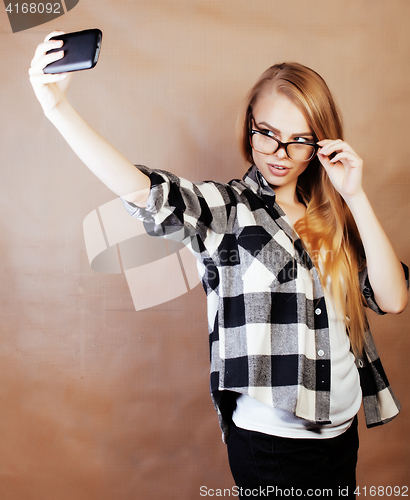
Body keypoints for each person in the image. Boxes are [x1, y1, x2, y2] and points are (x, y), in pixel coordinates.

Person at [29, 32, 408, 498]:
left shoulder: (334, 216)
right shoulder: (228, 211)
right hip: (273, 449)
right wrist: (57, 110)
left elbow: (391, 300)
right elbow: (145, 193)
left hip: (341, 435)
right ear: (249, 124)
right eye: (267, 133)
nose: (280, 154)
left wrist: (355, 196)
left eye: (299, 140)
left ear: (321, 144)